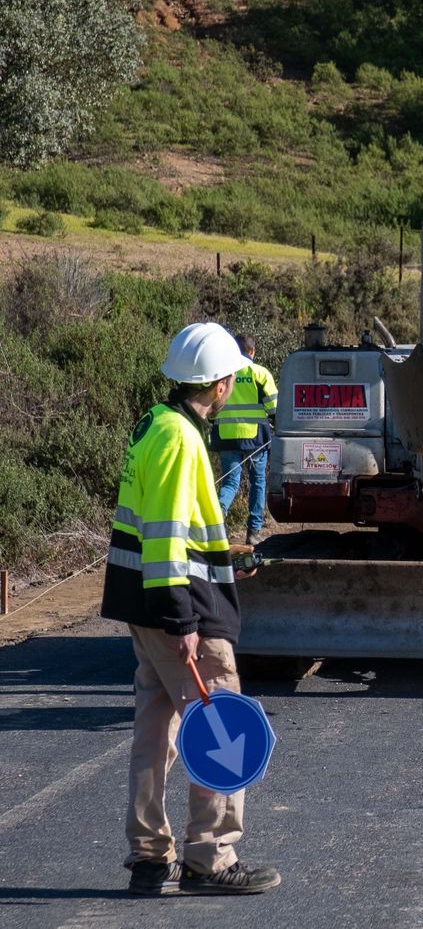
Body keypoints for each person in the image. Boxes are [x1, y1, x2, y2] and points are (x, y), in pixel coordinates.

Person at [101, 322, 282, 897]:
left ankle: (150, 856)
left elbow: (164, 527)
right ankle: (211, 856)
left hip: (144, 603)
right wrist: (183, 619)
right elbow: (167, 535)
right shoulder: (182, 439)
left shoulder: (154, 424)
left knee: (156, 729)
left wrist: (221, 561)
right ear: (222, 384)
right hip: (181, 613)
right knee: (222, 722)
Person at [213, 333, 277, 547]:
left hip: (226, 437)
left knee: (230, 482)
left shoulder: (222, 374)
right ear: (252, 351)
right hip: (255, 439)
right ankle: (253, 532)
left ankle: (217, 518)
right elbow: (274, 408)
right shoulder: (259, 373)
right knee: (258, 481)